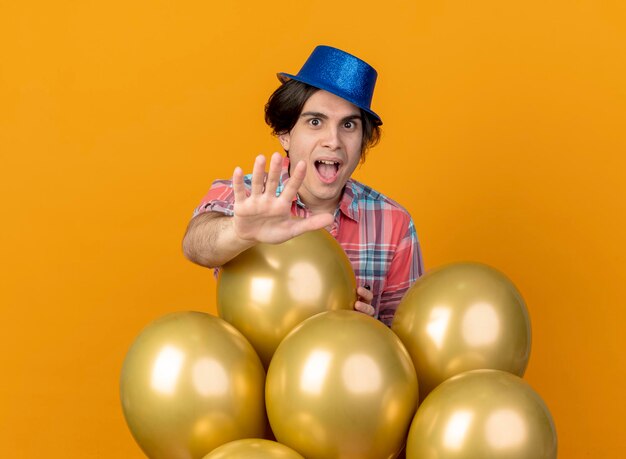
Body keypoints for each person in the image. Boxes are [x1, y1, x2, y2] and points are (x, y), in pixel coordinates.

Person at [183, 45, 423, 325]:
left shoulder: (394, 223)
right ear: (285, 134)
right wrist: (239, 232)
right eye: (315, 121)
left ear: (363, 141)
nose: (333, 141)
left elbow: (408, 342)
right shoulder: (250, 197)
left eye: (348, 126)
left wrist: (372, 328)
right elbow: (194, 244)